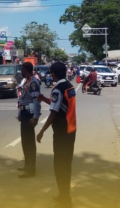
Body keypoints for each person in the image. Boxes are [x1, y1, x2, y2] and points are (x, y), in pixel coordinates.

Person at [37, 62, 76, 208]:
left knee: (59, 165)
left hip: (61, 132)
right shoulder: (69, 86)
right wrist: (44, 99)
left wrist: (41, 131)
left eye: (50, 73)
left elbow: (54, 113)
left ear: (53, 74)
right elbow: (57, 104)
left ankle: (65, 198)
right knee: (67, 164)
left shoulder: (57, 89)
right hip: (71, 130)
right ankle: (64, 195)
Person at [17, 62, 42, 178]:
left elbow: (36, 101)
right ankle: (27, 165)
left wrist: (35, 117)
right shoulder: (27, 80)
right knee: (25, 142)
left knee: (29, 143)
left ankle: (31, 169)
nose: (21, 71)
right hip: (24, 113)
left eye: (22, 69)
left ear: (26, 70)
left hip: (29, 115)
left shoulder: (33, 82)